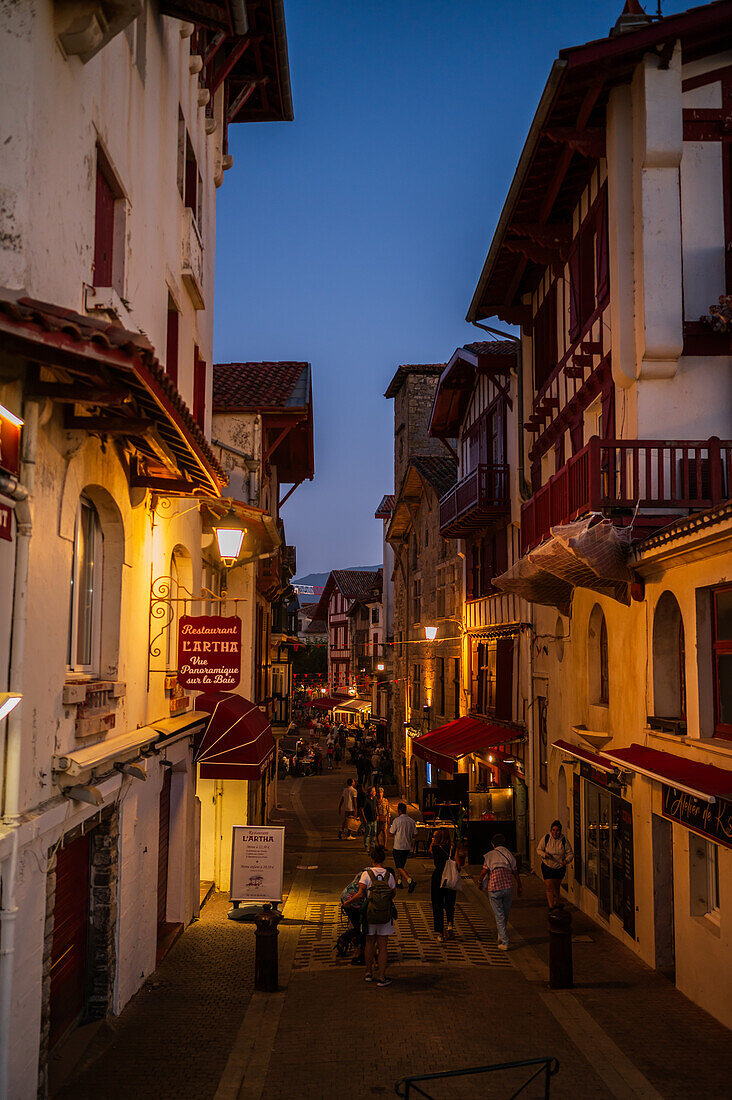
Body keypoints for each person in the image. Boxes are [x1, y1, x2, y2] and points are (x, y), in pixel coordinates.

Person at [350, 844, 396, 987]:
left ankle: (368, 973)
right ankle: (382, 977)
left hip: (369, 914)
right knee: (383, 946)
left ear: (372, 858)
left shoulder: (366, 874)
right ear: (384, 859)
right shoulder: (389, 875)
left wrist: (347, 903)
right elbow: (393, 894)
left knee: (369, 943)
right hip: (385, 916)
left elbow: (360, 894)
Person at [478, 833, 522, 950]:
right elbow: (516, 872)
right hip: (508, 887)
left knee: (499, 915)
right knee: (505, 913)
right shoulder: (509, 855)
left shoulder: (490, 856)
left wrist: (480, 882)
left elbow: (483, 872)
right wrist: (519, 886)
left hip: (494, 888)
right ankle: (501, 934)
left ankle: (505, 941)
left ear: (493, 844)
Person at [429, 827, 459, 942]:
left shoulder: (435, 847)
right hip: (450, 877)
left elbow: (430, 851)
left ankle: (440, 933)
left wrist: (433, 840)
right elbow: (458, 864)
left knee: (437, 905)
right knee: (450, 902)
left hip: (438, 877)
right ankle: (450, 924)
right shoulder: (452, 847)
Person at [537, 820, 574, 908]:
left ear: (560, 831)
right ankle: (551, 907)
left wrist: (566, 861)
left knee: (556, 886)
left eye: (557, 830)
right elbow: (539, 849)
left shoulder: (564, 840)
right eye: (553, 830)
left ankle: (556, 902)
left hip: (559, 867)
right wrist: (545, 855)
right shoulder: (546, 838)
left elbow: (570, 853)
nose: (555, 832)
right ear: (551, 830)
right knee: (549, 886)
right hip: (547, 866)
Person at [389, 802, 417, 892]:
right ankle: (399, 882)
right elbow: (415, 834)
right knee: (401, 865)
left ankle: (409, 880)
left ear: (399, 811)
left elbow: (391, 832)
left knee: (399, 866)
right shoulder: (411, 821)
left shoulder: (396, 821)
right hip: (407, 846)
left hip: (398, 846)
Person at [361, 786, 379, 851]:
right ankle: (366, 846)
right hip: (368, 820)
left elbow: (376, 807)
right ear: (370, 792)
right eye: (374, 791)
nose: (375, 792)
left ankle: (372, 845)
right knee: (367, 833)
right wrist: (364, 818)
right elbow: (362, 809)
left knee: (374, 833)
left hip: (374, 819)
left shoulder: (374, 799)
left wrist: (377, 815)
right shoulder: (366, 800)